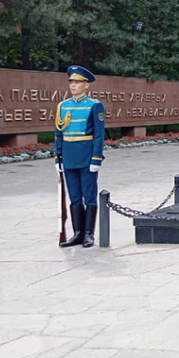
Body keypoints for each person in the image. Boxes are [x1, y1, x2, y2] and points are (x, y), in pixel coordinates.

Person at [55, 65, 105, 248]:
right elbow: (59, 133)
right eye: (71, 82)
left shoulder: (94, 105)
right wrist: (58, 158)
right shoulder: (63, 106)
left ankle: (89, 234)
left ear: (86, 85)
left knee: (89, 197)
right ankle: (77, 233)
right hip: (69, 158)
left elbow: (99, 135)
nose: (73, 85)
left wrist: (96, 159)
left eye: (77, 82)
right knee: (74, 197)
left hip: (86, 158)